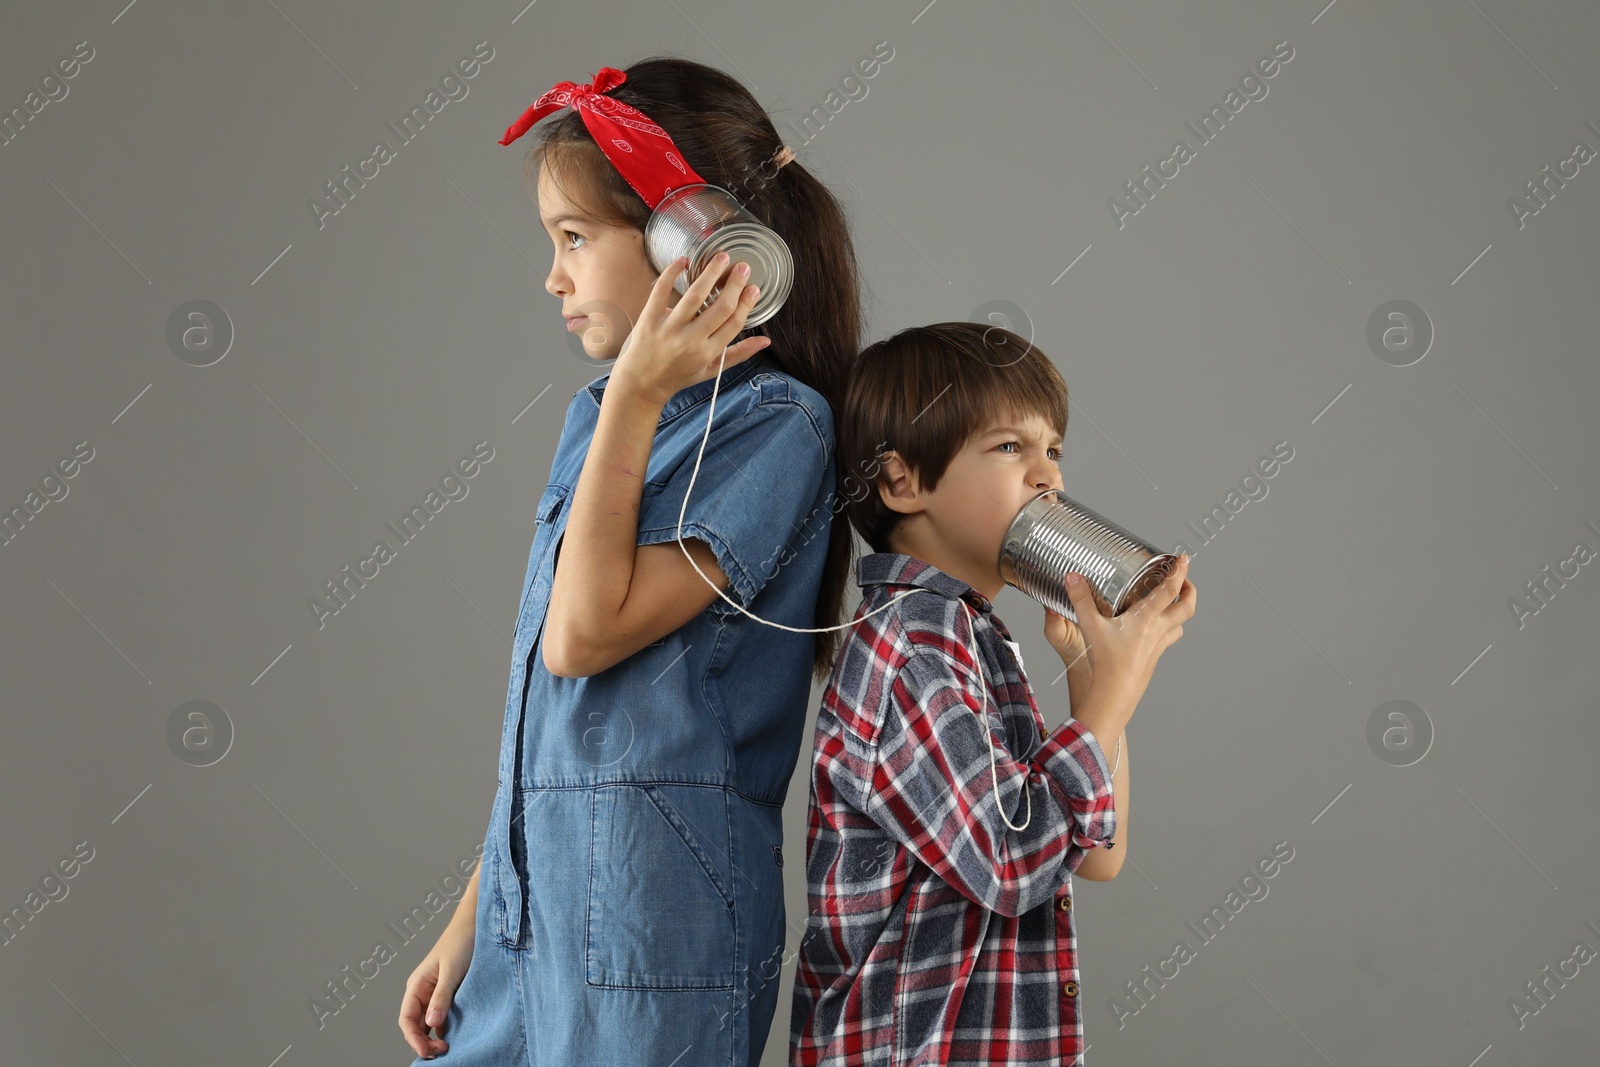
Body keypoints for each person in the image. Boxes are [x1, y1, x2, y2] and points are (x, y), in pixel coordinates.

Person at [397, 57, 862, 1066]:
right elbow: (551, 729)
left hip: (656, 920)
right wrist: (473, 916)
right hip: (536, 912)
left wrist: (637, 397)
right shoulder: (598, 418)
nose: (553, 276)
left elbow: (582, 635)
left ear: (689, 240)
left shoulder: (778, 422)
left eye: (573, 239)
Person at [788, 322, 1197, 1066]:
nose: (1049, 478)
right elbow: (1010, 859)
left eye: (1055, 450)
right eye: (1012, 447)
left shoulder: (969, 638)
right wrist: (1116, 694)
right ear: (901, 481)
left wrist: (1091, 672)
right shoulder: (912, 647)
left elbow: (1095, 852)